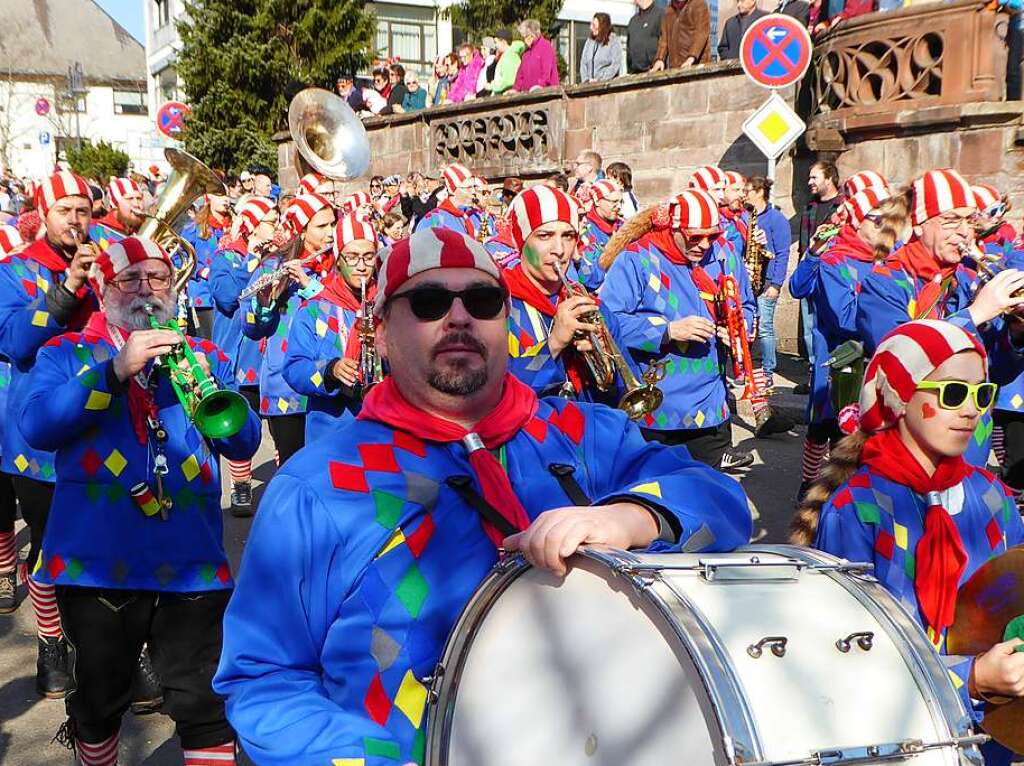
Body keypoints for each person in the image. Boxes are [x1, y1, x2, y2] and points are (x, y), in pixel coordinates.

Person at [213, 226, 752, 764]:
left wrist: (631, 517)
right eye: (427, 302)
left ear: (506, 321)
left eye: (483, 300)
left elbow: (720, 500)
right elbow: (264, 678)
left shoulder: (583, 433)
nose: (459, 317)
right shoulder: (318, 486)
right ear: (380, 334)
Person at [21, 236, 260, 766]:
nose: (146, 289)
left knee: (206, 707)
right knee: (98, 706)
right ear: (105, 289)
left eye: (156, 278)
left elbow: (243, 443)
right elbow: (37, 425)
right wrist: (114, 370)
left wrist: (218, 400)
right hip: (97, 563)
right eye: (130, 278)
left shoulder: (201, 354)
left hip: (192, 561)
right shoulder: (65, 353)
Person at [793, 320, 1024, 766]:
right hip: (900, 735)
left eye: (982, 394)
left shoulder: (992, 497)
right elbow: (849, 651)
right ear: (899, 397)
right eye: (952, 393)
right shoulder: (858, 510)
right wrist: (970, 679)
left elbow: (1011, 600)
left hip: (990, 733)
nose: (971, 410)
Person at [0, 172, 99, 696]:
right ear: (44, 214)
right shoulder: (13, 273)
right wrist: (69, 289)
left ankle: (117, 646)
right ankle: (52, 641)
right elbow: (16, 342)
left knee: (106, 539)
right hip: (39, 436)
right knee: (48, 547)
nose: (77, 221)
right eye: (65, 210)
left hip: (104, 424)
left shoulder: (107, 258)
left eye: (83, 210)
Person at [856, 168, 1024, 468]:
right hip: (908, 449)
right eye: (950, 221)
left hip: (968, 449)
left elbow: (997, 372)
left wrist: (1015, 332)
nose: (964, 232)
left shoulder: (969, 279)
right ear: (920, 225)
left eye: (969, 221)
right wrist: (976, 314)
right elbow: (903, 360)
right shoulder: (884, 281)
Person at [600, 190, 757, 469]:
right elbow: (608, 322)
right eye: (694, 236)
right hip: (657, 409)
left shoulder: (725, 252)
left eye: (712, 235)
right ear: (674, 228)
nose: (704, 244)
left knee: (706, 494)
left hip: (710, 409)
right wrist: (667, 330)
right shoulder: (637, 259)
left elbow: (746, 303)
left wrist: (739, 326)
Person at [788, 184, 899, 496]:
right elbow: (844, 317)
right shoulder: (836, 261)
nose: (886, 228)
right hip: (841, 363)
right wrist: (891, 318)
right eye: (876, 219)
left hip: (876, 361)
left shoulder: (891, 259)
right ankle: (813, 488)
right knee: (827, 428)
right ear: (856, 221)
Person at [502, 185, 636, 405]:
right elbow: (491, 393)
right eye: (544, 236)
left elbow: (624, 398)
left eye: (568, 235)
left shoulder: (592, 307)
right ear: (522, 242)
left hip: (588, 433)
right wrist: (553, 344)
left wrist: (607, 363)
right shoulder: (494, 307)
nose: (559, 249)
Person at [243, 193, 337, 465]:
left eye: (332, 224)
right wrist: (263, 304)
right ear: (302, 230)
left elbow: (344, 312)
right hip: (285, 386)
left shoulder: (339, 265)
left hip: (329, 379)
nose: (330, 232)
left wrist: (309, 285)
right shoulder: (272, 265)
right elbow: (253, 331)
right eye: (321, 226)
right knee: (292, 468)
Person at [209, 196, 279, 516]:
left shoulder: (275, 258)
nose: (276, 228)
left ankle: (282, 483)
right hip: (234, 359)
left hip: (265, 356)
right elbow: (227, 298)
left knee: (276, 426)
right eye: (270, 221)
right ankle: (240, 487)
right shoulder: (225, 259)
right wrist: (252, 259)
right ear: (252, 227)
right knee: (239, 423)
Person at [284, 214, 379, 442]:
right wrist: (331, 369)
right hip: (332, 429)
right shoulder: (314, 309)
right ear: (338, 260)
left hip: (385, 427)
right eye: (352, 257)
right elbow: (293, 368)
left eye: (368, 257)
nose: (362, 266)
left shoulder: (391, 303)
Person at [796, 160, 844, 394]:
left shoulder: (843, 206)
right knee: (808, 327)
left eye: (815, 177)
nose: (810, 182)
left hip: (831, 275)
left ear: (829, 178)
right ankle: (814, 373)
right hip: (810, 271)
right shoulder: (810, 207)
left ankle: (830, 374)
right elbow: (804, 245)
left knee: (828, 326)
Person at [745, 176, 792, 392]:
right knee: (749, 328)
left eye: (748, 190)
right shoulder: (748, 217)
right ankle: (749, 371)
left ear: (759, 192)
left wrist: (776, 284)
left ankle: (768, 371)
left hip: (767, 282)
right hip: (748, 281)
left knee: (764, 328)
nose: (745, 194)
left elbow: (782, 254)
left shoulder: (776, 219)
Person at [181, 192, 232, 340]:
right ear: (208, 199)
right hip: (204, 295)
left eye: (227, 195)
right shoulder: (193, 228)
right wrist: (200, 271)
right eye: (220, 195)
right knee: (208, 343)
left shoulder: (234, 227)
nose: (225, 198)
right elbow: (181, 259)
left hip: (228, 295)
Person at [414, 163, 484, 237]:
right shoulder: (434, 218)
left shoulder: (477, 215)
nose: (473, 192)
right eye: (468, 188)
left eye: (474, 187)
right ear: (452, 190)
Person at [578, 178, 624, 289]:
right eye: (613, 202)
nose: (618, 207)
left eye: (620, 202)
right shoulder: (586, 232)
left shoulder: (623, 226)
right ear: (597, 201)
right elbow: (585, 278)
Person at [651, 0, 712, 70]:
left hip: (698, 65)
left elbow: (701, 34)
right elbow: (664, 40)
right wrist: (660, 59)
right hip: (675, 67)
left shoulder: (699, 4)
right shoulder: (668, 11)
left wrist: (691, 57)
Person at [91, 178, 146, 250]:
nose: (136, 204)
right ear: (116, 205)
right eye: (129, 199)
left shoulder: (145, 224)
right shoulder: (97, 231)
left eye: (139, 198)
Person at [512, 19, 560, 92]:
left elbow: (546, 74)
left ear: (533, 34)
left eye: (526, 36)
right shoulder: (526, 52)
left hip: (546, 94)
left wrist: (539, 86)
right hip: (528, 95)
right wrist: (515, 89)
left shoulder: (545, 47)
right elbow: (520, 75)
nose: (524, 40)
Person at [580, 13, 623, 83]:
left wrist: (600, 79)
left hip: (607, 85)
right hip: (588, 85)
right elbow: (583, 62)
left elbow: (615, 65)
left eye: (594, 25)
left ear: (602, 26)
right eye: (591, 24)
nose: (591, 28)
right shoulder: (589, 41)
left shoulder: (614, 41)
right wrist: (586, 80)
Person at [628, 0, 667, 73]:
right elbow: (629, 47)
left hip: (654, 69)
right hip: (635, 71)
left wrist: (660, 59)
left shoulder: (660, 14)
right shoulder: (633, 21)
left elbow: (664, 40)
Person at [488, 30, 524, 95]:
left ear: (504, 42)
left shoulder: (509, 56)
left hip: (506, 97)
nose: (495, 46)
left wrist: (492, 85)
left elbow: (509, 80)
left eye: (496, 42)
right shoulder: (506, 55)